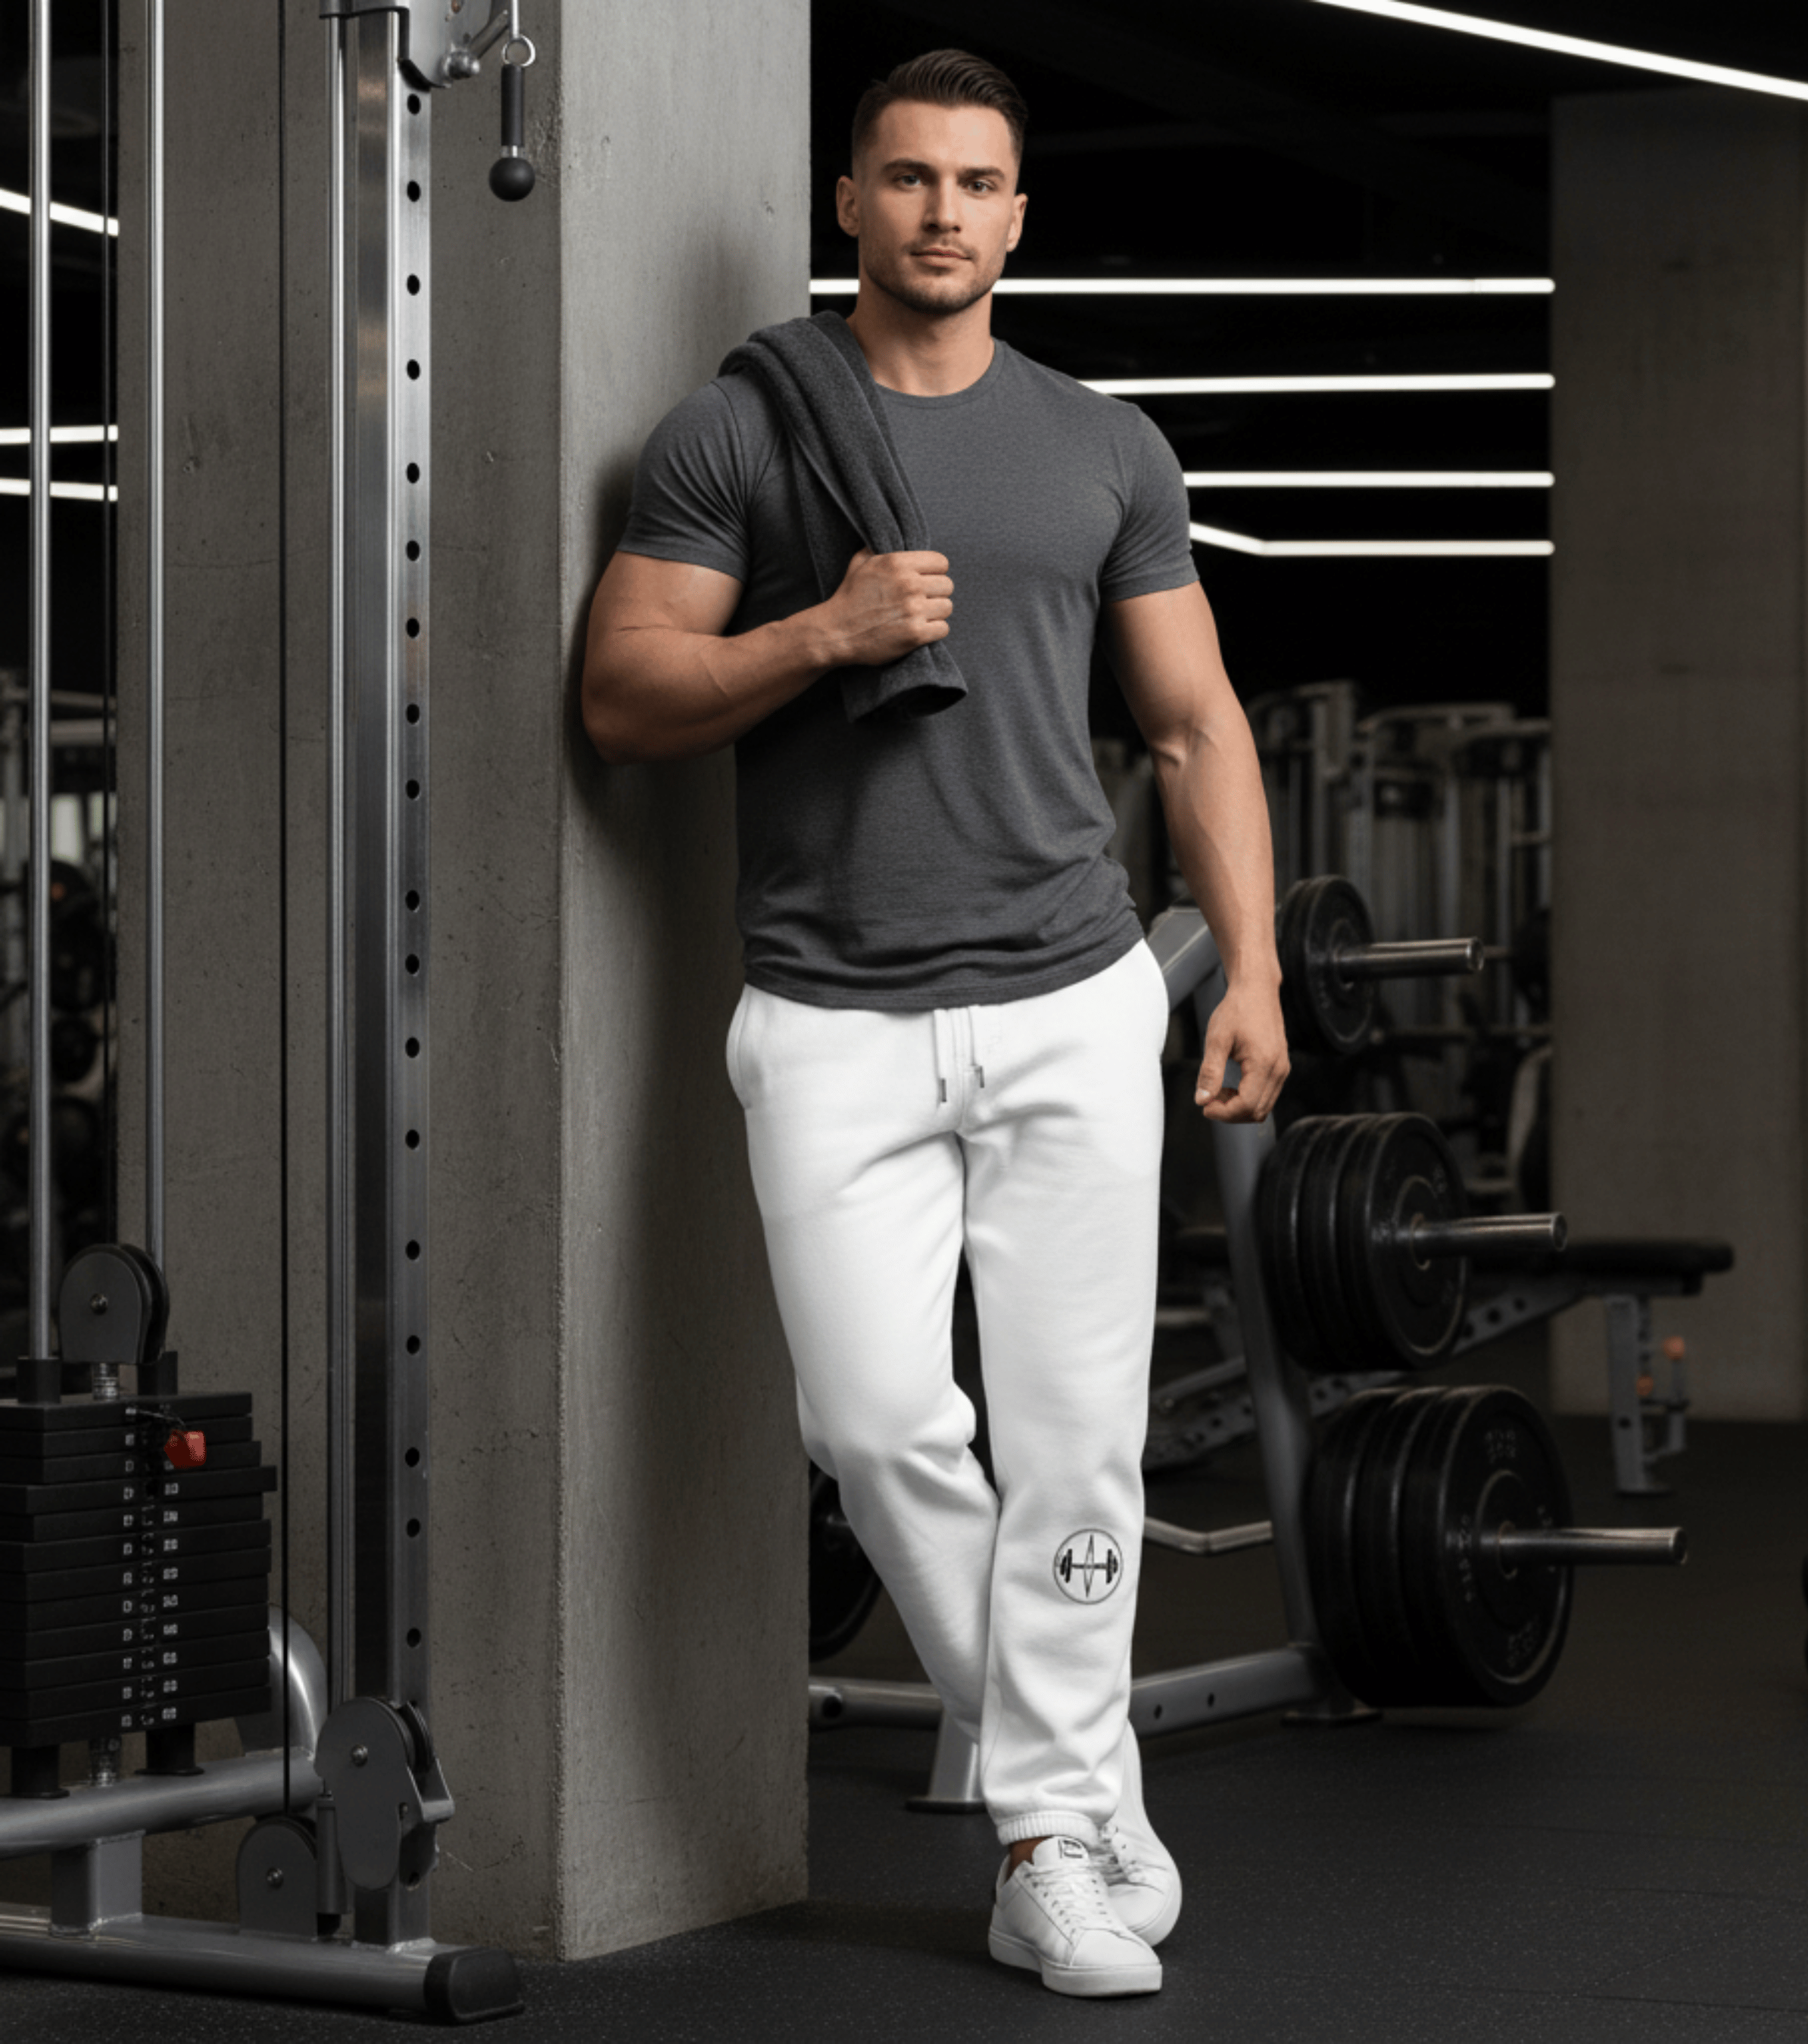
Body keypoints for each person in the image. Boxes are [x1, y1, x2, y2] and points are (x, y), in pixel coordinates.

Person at [580, 48, 1288, 2000]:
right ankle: (1091, 1768)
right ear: (852, 204)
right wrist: (825, 633)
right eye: (907, 180)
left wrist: (1257, 967)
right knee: (877, 1426)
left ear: (1019, 219)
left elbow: (1194, 723)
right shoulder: (740, 434)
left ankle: (1045, 1843)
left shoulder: (1103, 446)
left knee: (1080, 1458)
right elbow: (624, 696)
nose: (943, 214)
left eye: (979, 185)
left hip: (1070, 995)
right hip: (831, 1015)